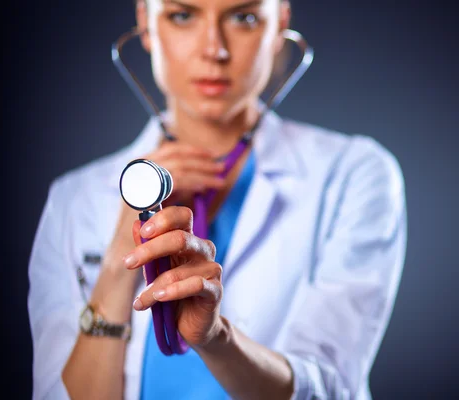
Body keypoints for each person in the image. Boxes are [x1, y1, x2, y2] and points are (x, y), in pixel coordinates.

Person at [27, 0, 408, 399]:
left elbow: (330, 388)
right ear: (145, 23)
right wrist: (119, 262)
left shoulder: (351, 174)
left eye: (243, 18)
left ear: (279, 25)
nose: (214, 49)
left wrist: (215, 337)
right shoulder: (75, 199)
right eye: (182, 15)